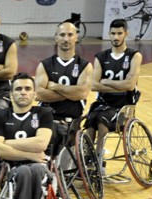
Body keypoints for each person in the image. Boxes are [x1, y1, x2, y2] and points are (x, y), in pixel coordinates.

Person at [0, 73, 53, 199]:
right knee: (24, 171)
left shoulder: (44, 113)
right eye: (18, 89)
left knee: (37, 170)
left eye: (27, 89)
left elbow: (41, 143)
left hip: (38, 165)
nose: (23, 92)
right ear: (11, 95)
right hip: (9, 166)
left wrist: (6, 143)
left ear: (34, 94)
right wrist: (30, 155)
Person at [85, 19, 143, 165]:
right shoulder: (101, 56)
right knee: (90, 123)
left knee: (102, 122)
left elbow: (130, 85)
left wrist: (106, 81)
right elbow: (94, 85)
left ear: (126, 34)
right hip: (103, 104)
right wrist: (119, 86)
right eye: (113, 33)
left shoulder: (134, 56)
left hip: (124, 108)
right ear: (109, 34)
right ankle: (88, 160)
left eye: (119, 33)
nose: (116, 37)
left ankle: (99, 162)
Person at [34, 21, 92, 148]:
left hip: (72, 120)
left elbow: (82, 93)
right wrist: (71, 93)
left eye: (70, 35)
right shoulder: (45, 65)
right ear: (56, 38)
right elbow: (39, 94)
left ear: (76, 37)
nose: (66, 39)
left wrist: (55, 87)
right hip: (48, 120)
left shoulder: (85, 66)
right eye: (62, 35)